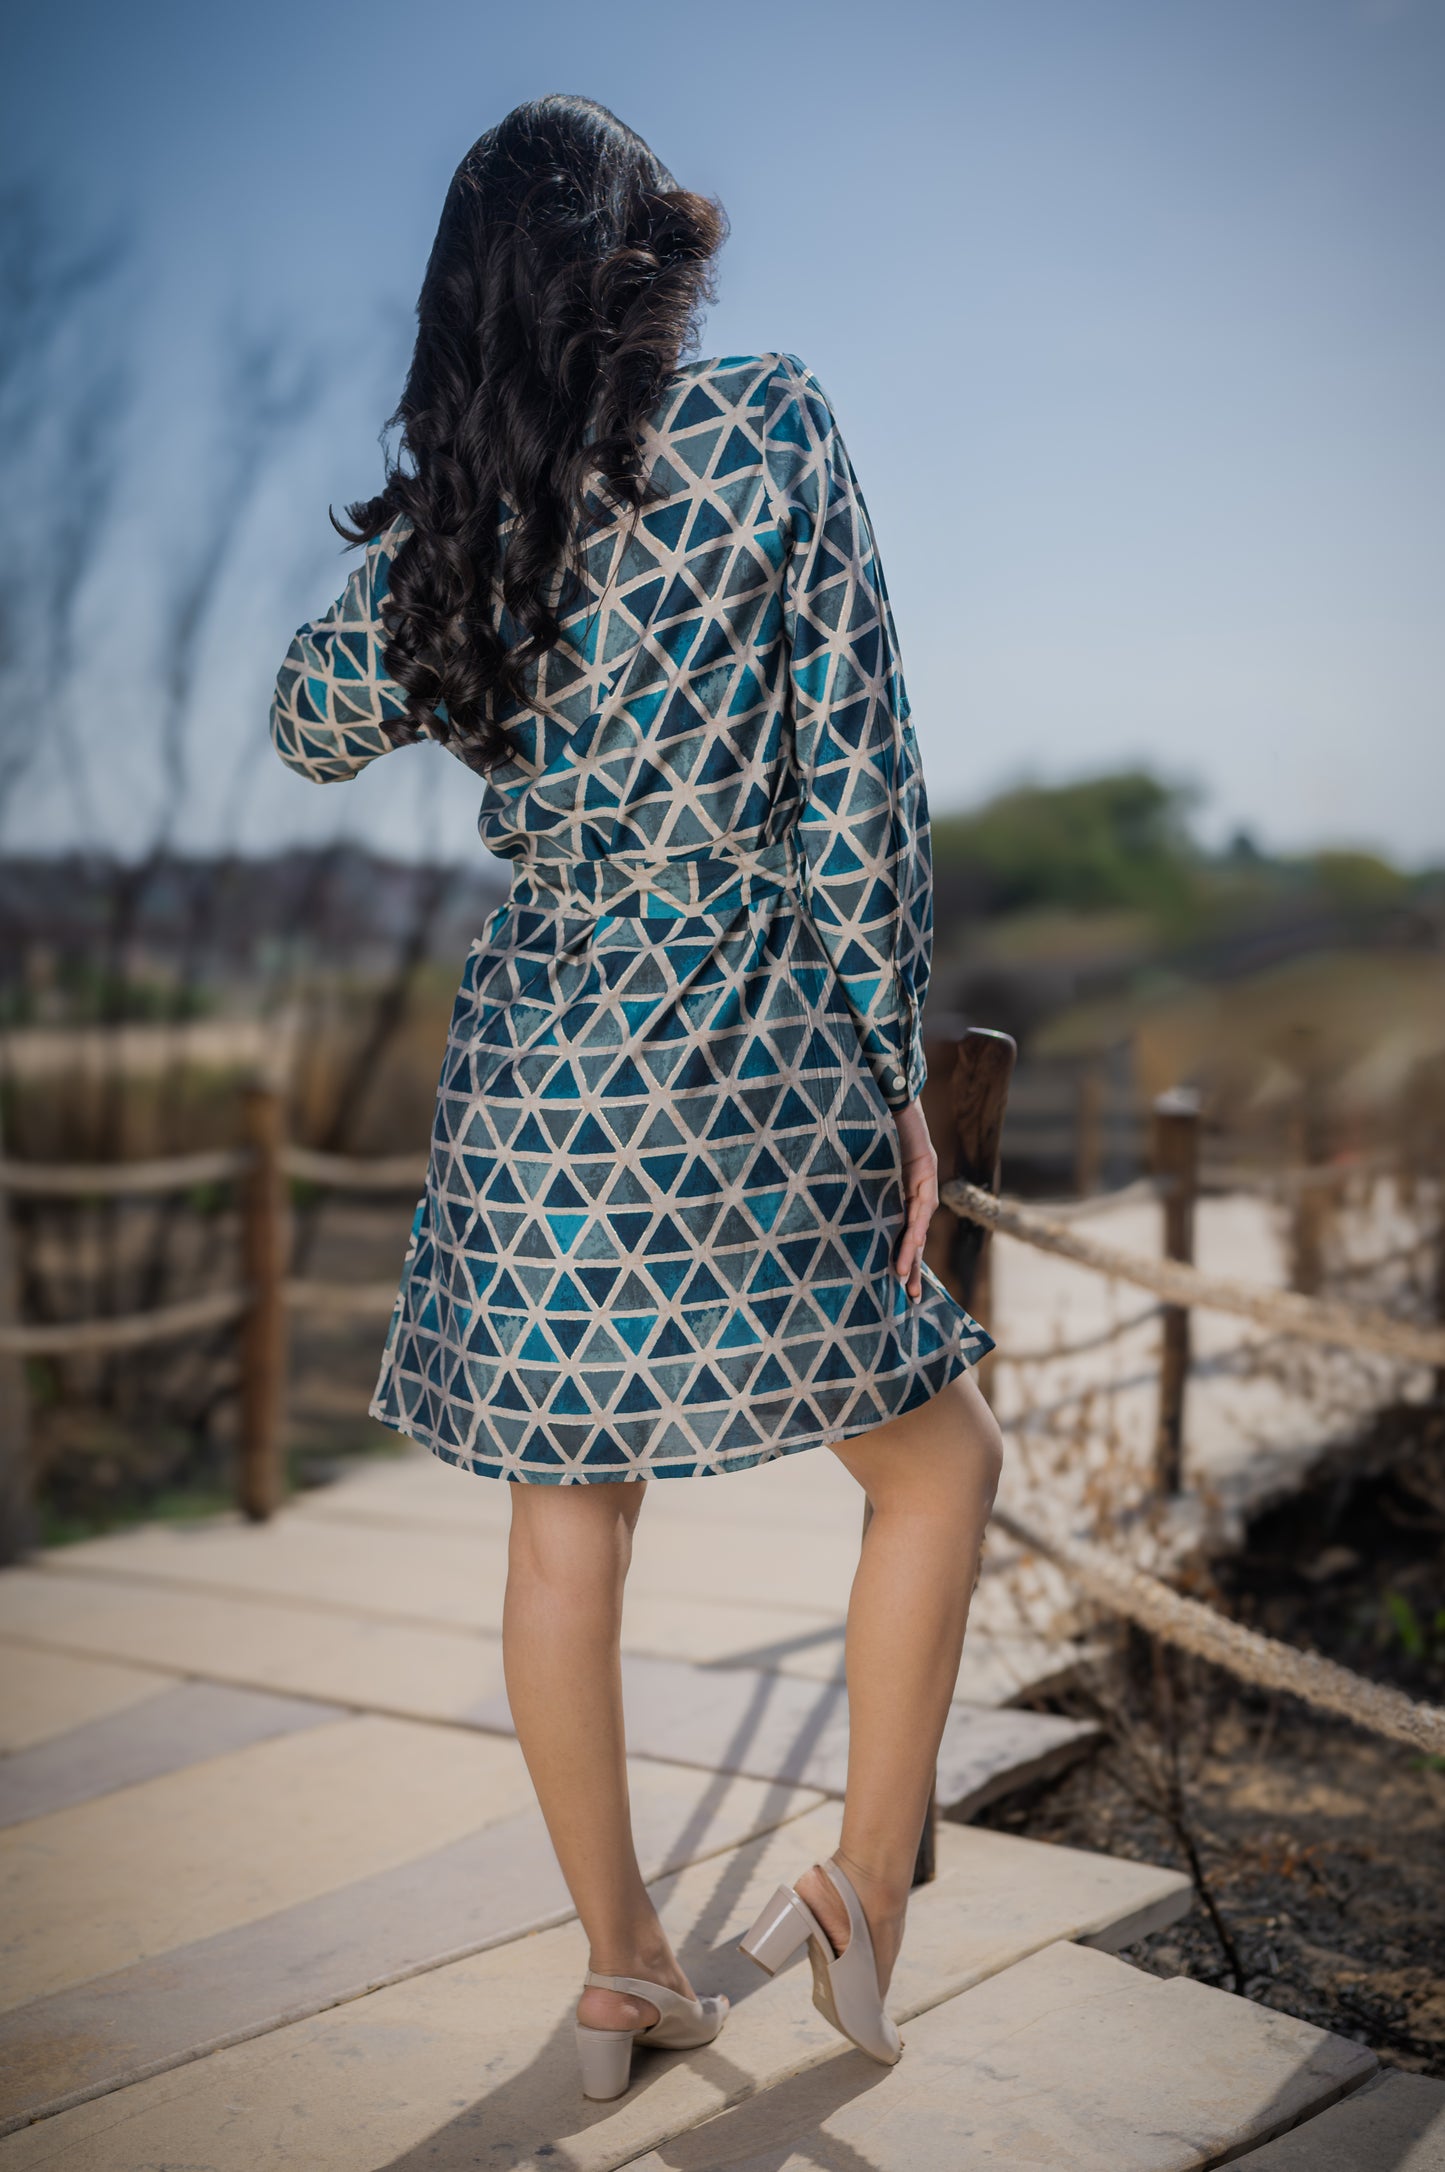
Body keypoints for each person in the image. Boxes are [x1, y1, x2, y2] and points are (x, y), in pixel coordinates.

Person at [269, 91, 1004, 2104]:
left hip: (541, 1067)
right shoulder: (769, 425)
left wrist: (446, 561)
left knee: (560, 1538)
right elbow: (858, 784)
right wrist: (889, 1075)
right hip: (752, 1044)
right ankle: (861, 1882)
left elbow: (305, 721)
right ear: (645, 250)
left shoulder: (471, 524)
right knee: (936, 1470)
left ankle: (625, 1965)